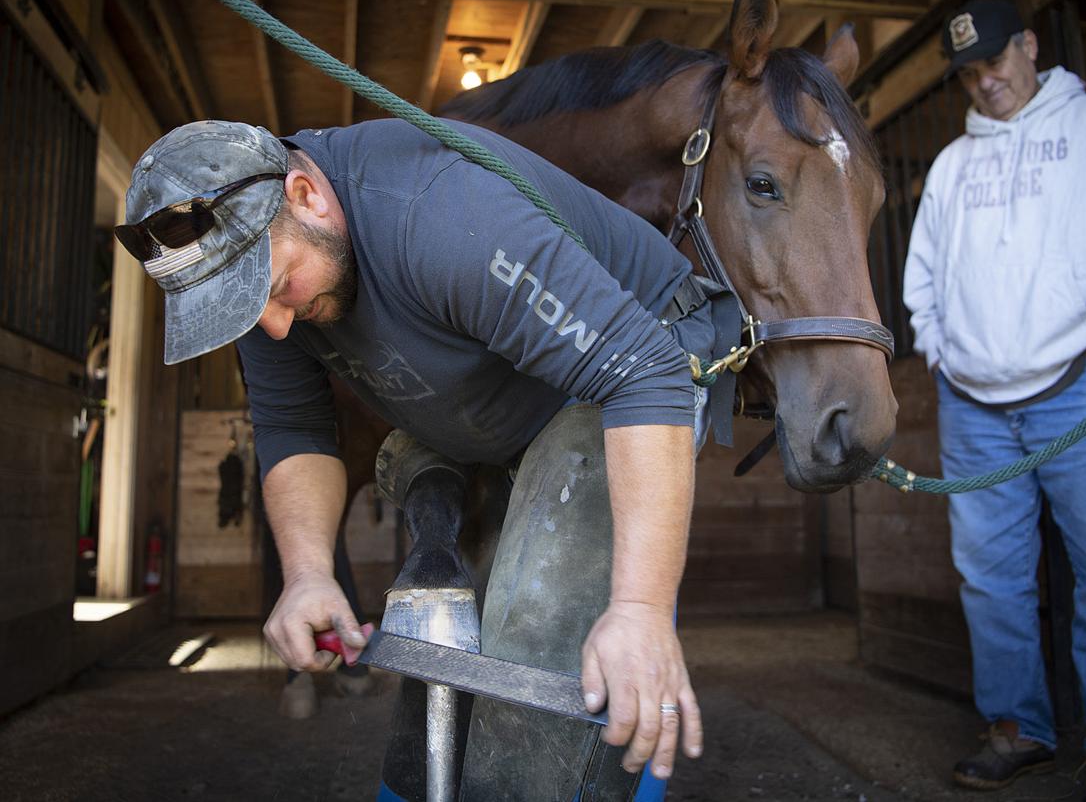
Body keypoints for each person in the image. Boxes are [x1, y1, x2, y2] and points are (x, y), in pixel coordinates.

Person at [118, 117, 726, 799]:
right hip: (503, 392)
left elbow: (644, 371)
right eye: (249, 310)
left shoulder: (439, 218)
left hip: (633, 371)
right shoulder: (261, 280)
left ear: (306, 195)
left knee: (543, 637)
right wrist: (310, 575)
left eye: (279, 288)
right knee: (448, 653)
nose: (276, 327)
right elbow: (294, 428)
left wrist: (641, 610)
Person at [903, 0, 1086, 802]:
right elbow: (921, 275)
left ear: (1030, 46)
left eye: (995, 61)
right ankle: (1018, 728)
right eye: (968, 72)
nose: (985, 81)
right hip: (973, 402)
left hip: (1082, 388)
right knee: (991, 578)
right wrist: (938, 347)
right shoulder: (953, 165)